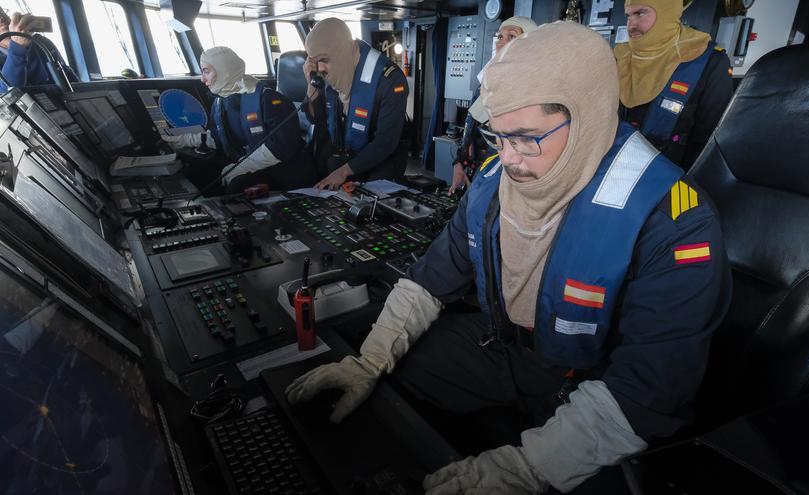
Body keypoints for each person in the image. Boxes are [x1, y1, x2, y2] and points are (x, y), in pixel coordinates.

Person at [287, 21, 731, 494]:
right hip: (504, 352)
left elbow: (647, 387)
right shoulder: (494, 178)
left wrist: (524, 469)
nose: (509, 159)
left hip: (596, 384)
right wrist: (369, 361)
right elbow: (432, 277)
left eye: (525, 138)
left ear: (588, 116)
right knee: (389, 388)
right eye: (498, 137)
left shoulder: (674, 220)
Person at [163, 46, 316, 192]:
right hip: (254, 166)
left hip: (285, 174)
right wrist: (179, 141)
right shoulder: (221, 101)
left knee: (236, 185)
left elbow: (280, 147)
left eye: (206, 72)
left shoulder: (269, 100)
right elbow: (217, 137)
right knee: (197, 174)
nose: (203, 79)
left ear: (224, 70)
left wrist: (240, 168)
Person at [614, 0, 733, 170]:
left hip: (673, 179)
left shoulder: (709, 61)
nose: (631, 25)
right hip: (615, 170)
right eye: (628, 16)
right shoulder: (620, 56)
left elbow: (711, 141)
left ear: (667, 13)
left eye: (640, 13)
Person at [301, 18, 409, 190]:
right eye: (315, 62)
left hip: (380, 163)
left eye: (324, 60)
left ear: (341, 52)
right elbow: (316, 119)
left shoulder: (390, 80)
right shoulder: (331, 73)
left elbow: (385, 142)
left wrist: (343, 172)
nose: (320, 69)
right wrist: (310, 83)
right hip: (346, 157)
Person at [447, 15, 537, 194]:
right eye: (500, 37)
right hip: (477, 176)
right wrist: (460, 163)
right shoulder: (486, 84)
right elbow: (471, 125)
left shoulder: (534, 93)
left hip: (505, 185)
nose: (501, 43)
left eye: (512, 37)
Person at [0, 10, 77, 91]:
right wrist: (18, 47)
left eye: (2, 13)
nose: (1, 18)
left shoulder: (41, 41)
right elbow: (6, 92)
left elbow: (67, 74)